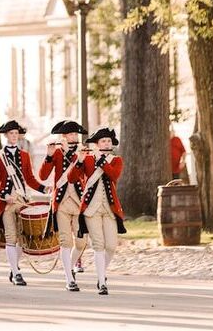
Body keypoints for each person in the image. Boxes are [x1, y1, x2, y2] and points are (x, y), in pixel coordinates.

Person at [0, 120, 48, 287]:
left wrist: (45, 189)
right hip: (6, 202)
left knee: (23, 238)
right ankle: (16, 273)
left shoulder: (24, 155)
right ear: (6, 135)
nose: (14, 136)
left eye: (16, 134)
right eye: (11, 134)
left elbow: (29, 178)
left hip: (22, 199)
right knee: (10, 237)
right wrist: (4, 195)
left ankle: (14, 267)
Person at [69, 127, 126, 295]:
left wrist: (102, 161)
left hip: (109, 209)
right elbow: (72, 178)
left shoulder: (116, 160)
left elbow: (113, 175)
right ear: (96, 144)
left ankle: (102, 272)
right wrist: (79, 160)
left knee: (111, 246)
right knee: (99, 245)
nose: (107, 143)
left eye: (109, 141)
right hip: (90, 210)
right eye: (103, 141)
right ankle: (101, 281)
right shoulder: (87, 159)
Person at [39, 120, 89, 292]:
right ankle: (69, 277)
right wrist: (49, 155)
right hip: (61, 203)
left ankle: (72, 265)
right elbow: (43, 175)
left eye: (76, 134)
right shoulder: (57, 153)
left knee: (81, 242)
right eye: (70, 134)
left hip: (78, 202)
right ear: (64, 136)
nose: (74, 137)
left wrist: (69, 152)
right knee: (65, 241)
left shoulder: (82, 153)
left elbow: (78, 174)